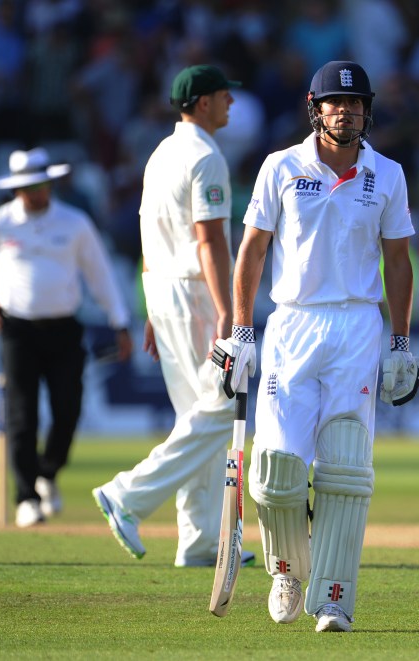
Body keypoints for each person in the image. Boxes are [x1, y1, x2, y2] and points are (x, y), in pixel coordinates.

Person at [212, 60, 419, 633]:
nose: (345, 111)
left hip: (356, 327)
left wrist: (400, 343)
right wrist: (241, 331)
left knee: (344, 469)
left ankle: (333, 596)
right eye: (335, 103)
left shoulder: (388, 174)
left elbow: (398, 262)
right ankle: (287, 568)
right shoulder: (281, 166)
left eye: (355, 104)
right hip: (292, 325)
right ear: (315, 107)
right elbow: (251, 251)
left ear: (366, 110)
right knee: (278, 470)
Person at [92, 65, 254, 569]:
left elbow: (148, 234)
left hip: (162, 289)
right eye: (224, 96)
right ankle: (128, 495)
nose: (231, 102)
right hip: (193, 292)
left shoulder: (161, 153)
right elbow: (209, 240)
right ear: (202, 102)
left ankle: (200, 540)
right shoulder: (205, 156)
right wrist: (228, 308)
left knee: (198, 415)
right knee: (223, 408)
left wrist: (149, 308)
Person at [0, 147, 132, 528]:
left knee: (69, 408)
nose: (37, 193)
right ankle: (27, 497)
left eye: (42, 185)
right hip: (17, 329)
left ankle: (47, 473)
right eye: (30, 187)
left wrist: (120, 322)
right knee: (21, 413)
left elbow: (100, 274)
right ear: (17, 189)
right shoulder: (0, 222)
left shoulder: (74, 222)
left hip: (64, 327)